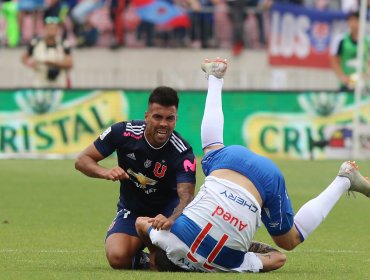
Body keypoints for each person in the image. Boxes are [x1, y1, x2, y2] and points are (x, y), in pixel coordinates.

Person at [135, 57, 370, 272]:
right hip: (231, 160)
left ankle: (344, 179)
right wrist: (154, 250)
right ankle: (215, 79)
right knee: (210, 148)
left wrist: (246, 246)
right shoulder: (168, 238)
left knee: (289, 240)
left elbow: (278, 257)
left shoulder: (232, 264)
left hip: (267, 180)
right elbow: (140, 223)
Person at [75, 86, 197, 269]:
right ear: (147, 116)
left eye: (169, 118)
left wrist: (171, 219)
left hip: (166, 213)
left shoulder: (182, 153)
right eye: (158, 117)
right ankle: (148, 259)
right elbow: (82, 160)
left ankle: (163, 253)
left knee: (173, 257)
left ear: (176, 119)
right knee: (117, 257)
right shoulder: (123, 132)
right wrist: (106, 172)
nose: (164, 123)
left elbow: (186, 197)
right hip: (132, 210)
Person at [21, 16, 73, 88]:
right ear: (45, 29)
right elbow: (24, 57)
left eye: (54, 29)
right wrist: (31, 63)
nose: (52, 31)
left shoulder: (63, 44)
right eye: (50, 28)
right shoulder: (36, 42)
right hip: (40, 82)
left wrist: (52, 63)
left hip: (59, 82)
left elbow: (69, 63)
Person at [330, 11, 370, 91]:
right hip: (346, 83)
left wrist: (367, 75)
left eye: (357, 21)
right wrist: (342, 77)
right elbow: (334, 60)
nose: (354, 24)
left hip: (363, 83)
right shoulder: (341, 39)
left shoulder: (367, 40)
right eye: (351, 21)